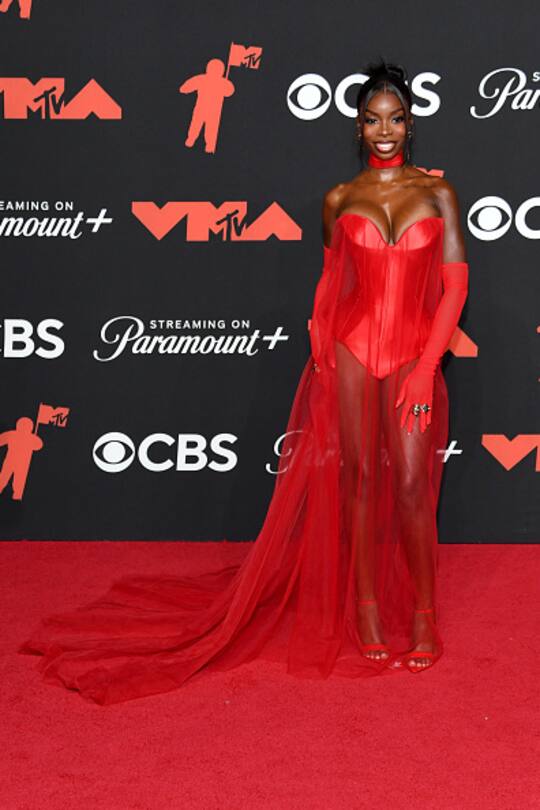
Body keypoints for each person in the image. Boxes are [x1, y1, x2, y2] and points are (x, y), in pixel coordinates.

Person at [20, 60, 468, 705]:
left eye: (396, 118)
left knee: (409, 480)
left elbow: (455, 284)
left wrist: (426, 367)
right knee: (361, 478)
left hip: (411, 354)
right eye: (372, 119)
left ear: (412, 122)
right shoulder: (340, 199)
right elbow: (329, 281)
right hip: (348, 348)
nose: (385, 130)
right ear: (357, 127)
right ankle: (367, 606)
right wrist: (319, 342)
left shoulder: (438, 194)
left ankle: (424, 615)